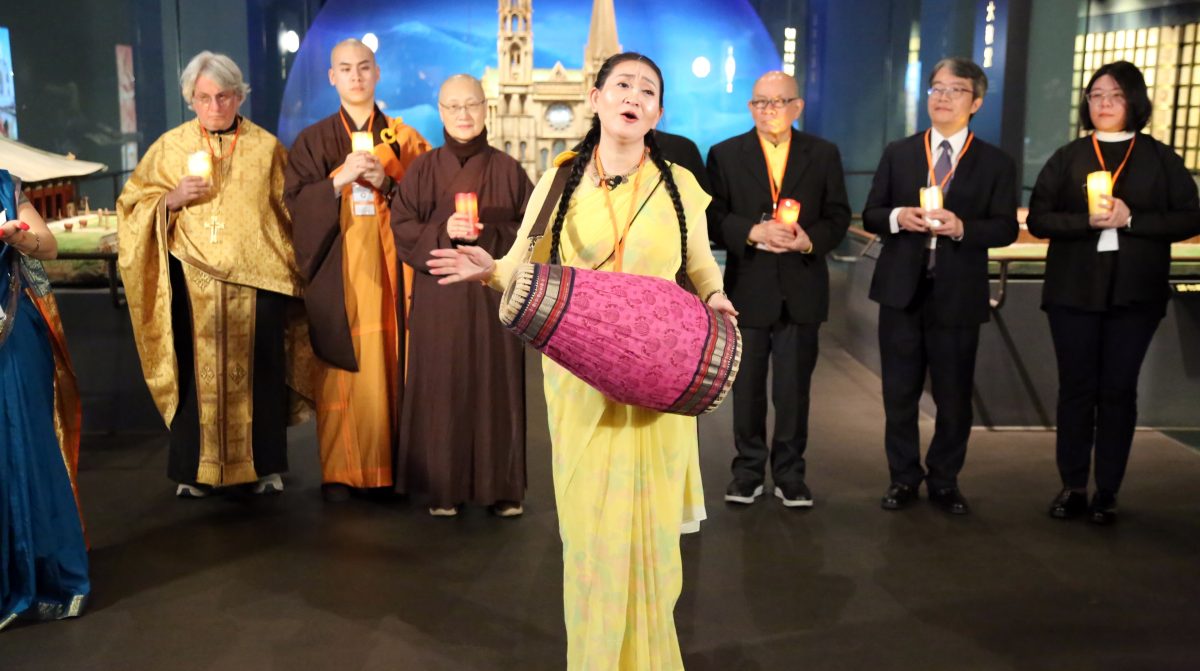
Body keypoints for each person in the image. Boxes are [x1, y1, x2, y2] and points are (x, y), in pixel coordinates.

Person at [428, 52, 736, 670]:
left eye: (647, 90)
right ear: (595, 99)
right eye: (622, 84)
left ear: (658, 112)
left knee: (653, 542)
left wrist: (715, 298)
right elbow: (522, 263)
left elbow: (700, 264)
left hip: (658, 374)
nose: (634, 96)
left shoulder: (679, 183)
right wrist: (489, 270)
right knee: (592, 536)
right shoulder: (559, 181)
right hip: (581, 375)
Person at [118, 51, 312, 498]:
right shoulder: (170, 148)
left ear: (239, 96)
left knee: (261, 373)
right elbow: (131, 208)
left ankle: (263, 466)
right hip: (193, 283)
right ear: (191, 99)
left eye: (224, 96)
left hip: (258, 282)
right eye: (204, 97)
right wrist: (170, 199)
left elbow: (289, 213)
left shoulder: (266, 148)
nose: (215, 106)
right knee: (194, 373)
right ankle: (195, 470)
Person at [1027, 60, 1200, 525]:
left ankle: (1107, 491)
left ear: (1134, 101)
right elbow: (1039, 218)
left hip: (1134, 294)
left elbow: (1190, 217)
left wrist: (1132, 219)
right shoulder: (1068, 157)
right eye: (1096, 95)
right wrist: (1085, 221)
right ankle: (1072, 485)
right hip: (1073, 290)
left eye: (1116, 95)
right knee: (1076, 389)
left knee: (1119, 391)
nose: (1104, 104)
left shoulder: (1160, 159)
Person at [861, 57, 1018, 515]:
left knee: (953, 397)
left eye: (955, 90)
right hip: (901, 292)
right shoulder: (900, 152)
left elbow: (1005, 227)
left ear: (977, 102)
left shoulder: (995, 162)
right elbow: (872, 212)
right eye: (936, 89)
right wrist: (899, 217)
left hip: (958, 294)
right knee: (899, 394)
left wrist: (963, 227)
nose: (943, 97)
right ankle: (903, 477)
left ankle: (945, 480)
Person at [284, 38, 429, 502]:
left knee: (396, 362)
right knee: (344, 370)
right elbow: (294, 206)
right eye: (345, 68)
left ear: (377, 72)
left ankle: (399, 469)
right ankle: (345, 472)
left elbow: (429, 204)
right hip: (340, 271)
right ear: (332, 77)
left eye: (364, 67)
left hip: (394, 275)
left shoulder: (405, 140)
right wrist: (338, 180)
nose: (356, 76)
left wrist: (389, 181)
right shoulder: (313, 141)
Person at [706, 70, 850, 508]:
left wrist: (809, 240)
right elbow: (713, 217)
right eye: (759, 102)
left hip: (802, 288)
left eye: (777, 101)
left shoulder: (822, 154)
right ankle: (747, 472)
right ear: (750, 106)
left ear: (797, 106)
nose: (767, 110)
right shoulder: (725, 154)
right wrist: (752, 232)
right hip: (748, 289)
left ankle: (790, 474)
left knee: (793, 391)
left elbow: (838, 215)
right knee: (746, 389)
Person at [390, 74, 531, 516]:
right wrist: (442, 230)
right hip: (441, 298)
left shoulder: (509, 170)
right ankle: (443, 488)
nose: (463, 114)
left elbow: (533, 233)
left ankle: (501, 488)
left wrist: (489, 235)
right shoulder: (423, 169)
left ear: (486, 108)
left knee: (496, 385)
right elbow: (401, 227)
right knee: (442, 386)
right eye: (453, 106)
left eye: (471, 104)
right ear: (441, 111)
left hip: (493, 296)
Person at [0, 169, 89, 630]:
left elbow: (48, 246)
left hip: (11, 332)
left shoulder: (5, 186)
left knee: (27, 448)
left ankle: (42, 574)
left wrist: (19, 239)